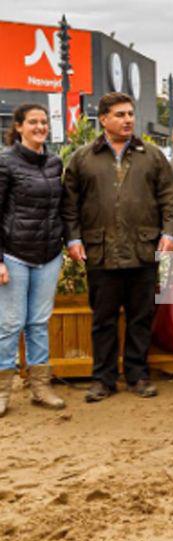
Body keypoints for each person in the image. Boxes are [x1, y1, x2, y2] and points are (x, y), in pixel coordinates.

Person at [63, 92, 173, 402]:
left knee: (140, 317)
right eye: (120, 114)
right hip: (100, 252)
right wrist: (73, 239)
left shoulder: (153, 156)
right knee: (102, 320)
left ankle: (138, 375)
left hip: (143, 250)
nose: (128, 119)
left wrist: (169, 234)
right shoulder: (82, 158)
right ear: (103, 119)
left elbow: (171, 198)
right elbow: (69, 204)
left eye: (130, 113)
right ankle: (102, 380)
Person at [0, 104, 66, 415]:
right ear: (19, 127)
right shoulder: (5, 162)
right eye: (33, 122)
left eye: (43, 122)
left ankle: (40, 387)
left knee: (38, 323)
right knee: (10, 324)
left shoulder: (55, 162)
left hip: (49, 253)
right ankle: (2, 391)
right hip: (14, 254)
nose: (40, 127)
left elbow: (61, 207)